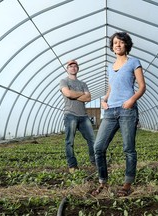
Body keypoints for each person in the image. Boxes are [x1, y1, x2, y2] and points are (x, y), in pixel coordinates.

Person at [92, 32, 146, 196]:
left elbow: (142, 86)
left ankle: (127, 184)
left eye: (121, 42)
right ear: (112, 46)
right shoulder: (110, 67)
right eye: (115, 42)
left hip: (127, 110)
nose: (118, 45)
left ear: (126, 45)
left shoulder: (134, 62)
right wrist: (105, 99)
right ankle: (103, 182)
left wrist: (131, 100)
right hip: (110, 111)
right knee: (98, 147)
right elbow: (112, 86)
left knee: (128, 148)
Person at [59, 60, 95, 173]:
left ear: (78, 69)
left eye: (75, 66)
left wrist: (74, 94)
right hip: (70, 114)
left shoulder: (83, 84)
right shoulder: (64, 81)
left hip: (83, 116)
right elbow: (68, 94)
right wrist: (81, 94)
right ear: (67, 69)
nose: (73, 68)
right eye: (71, 66)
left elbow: (88, 98)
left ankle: (95, 161)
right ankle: (72, 166)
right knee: (69, 141)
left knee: (92, 140)